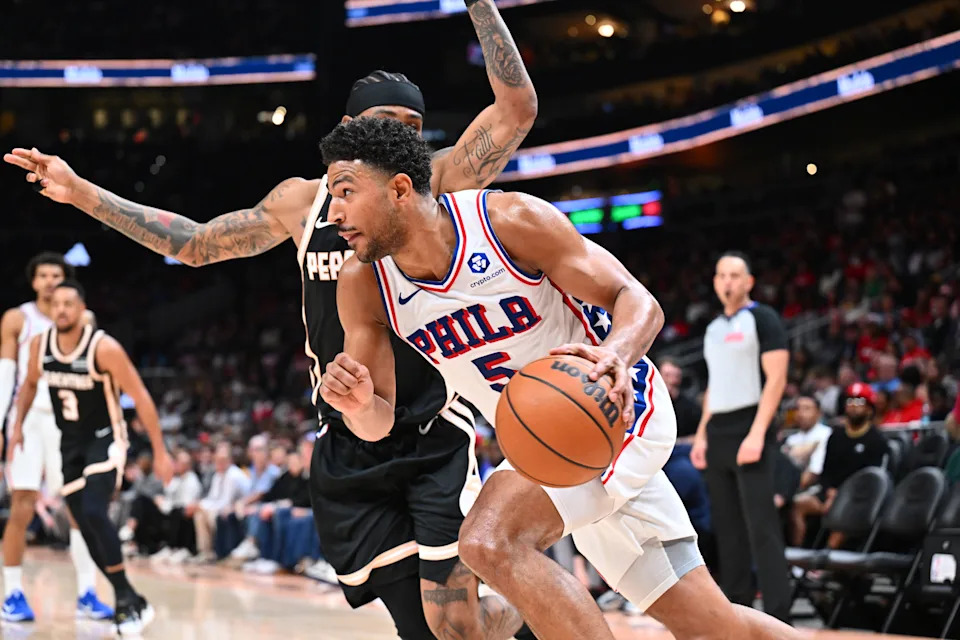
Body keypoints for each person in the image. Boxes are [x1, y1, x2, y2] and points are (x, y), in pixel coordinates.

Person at [4, 2, 536, 637]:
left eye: (412, 127)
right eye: (384, 124)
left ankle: (531, 615)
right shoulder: (299, 203)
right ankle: (526, 616)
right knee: (422, 626)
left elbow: (514, 110)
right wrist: (83, 192)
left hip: (430, 422)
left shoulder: (433, 183)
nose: (401, 139)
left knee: (457, 625)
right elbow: (195, 243)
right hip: (348, 430)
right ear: (347, 128)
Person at [316, 116, 802, 640]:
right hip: (545, 444)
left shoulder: (507, 221)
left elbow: (638, 301)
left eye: (345, 191)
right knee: (714, 628)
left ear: (400, 189)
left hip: (613, 406)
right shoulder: (363, 284)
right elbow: (375, 425)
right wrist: (360, 404)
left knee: (488, 541)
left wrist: (615, 355)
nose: (333, 212)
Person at [8, 281, 173, 634]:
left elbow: (141, 398)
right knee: (82, 522)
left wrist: (161, 451)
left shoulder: (103, 348)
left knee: (96, 511)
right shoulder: (40, 346)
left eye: (70, 303)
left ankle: (127, 601)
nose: (63, 309)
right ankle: (127, 596)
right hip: (69, 444)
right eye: (57, 304)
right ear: (50, 310)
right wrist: (18, 425)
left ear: (83, 309)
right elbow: (29, 386)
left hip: (105, 439)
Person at [0, 252, 112, 622]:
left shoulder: (84, 318)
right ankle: (12, 593)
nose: (50, 281)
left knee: (79, 509)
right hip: (28, 421)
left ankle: (87, 592)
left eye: (56, 275)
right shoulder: (18, 318)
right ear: (33, 282)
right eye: (43, 275)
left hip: (71, 423)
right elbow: (6, 375)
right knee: (22, 504)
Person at [689, 252, 793, 622]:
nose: (727, 282)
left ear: (748, 282)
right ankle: (737, 613)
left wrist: (758, 433)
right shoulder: (714, 327)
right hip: (718, 431)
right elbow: (714, 386)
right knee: (727, 529)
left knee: (762, 528)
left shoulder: (762, 318)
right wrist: (702, 435)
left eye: (735, 275)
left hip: (752, 427)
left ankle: (780, 616)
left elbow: (776, 379)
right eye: (721, 275)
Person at [790, 383, 888, 548]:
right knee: (798, 505)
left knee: (842, 516)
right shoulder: (835, 436)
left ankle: (823, 565)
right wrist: (829, 492)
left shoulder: (876, 440)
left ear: (869, 409)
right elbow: (826, 471)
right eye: (850, 401)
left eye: (859, 402)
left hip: (858, 498)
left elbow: (872, 478)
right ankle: (798, 559)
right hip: (830, 494)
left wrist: (841, 495)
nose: (853, 406)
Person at [782, 394, 832, 488]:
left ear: (818, 413)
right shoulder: (791, 439)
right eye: (798, 409)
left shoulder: (826, 434)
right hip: (790, 487)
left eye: (807, 408)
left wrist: (787, 491)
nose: (801, 413)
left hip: (816, 488)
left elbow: (814, 473)